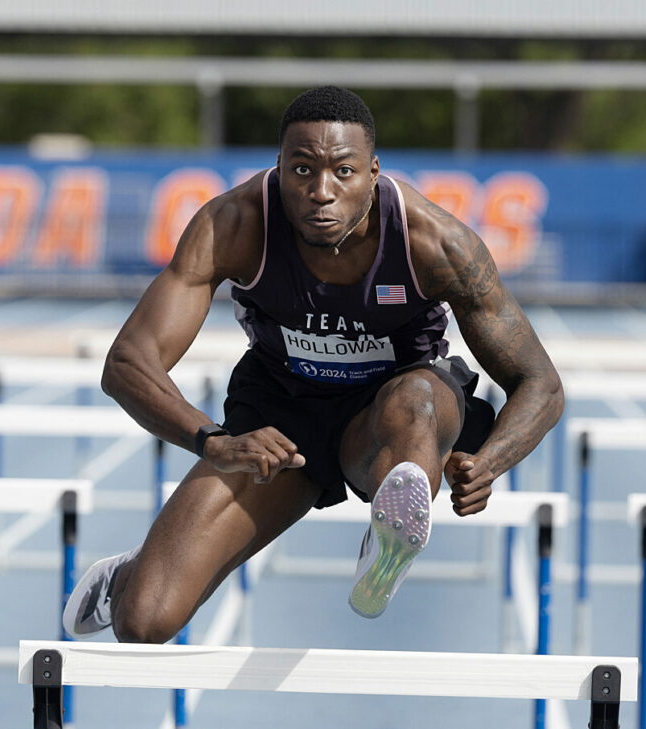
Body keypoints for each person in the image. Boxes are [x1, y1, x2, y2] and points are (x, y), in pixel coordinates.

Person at [63, 86, 563, 642]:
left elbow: (539, 383)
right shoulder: (234, 224)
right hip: (282, 420)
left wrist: (489, 463)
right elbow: (128, 363)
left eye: (343, 172)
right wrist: (212, 442)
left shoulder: (435, 242)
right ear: (278, 169)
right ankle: (129, 576)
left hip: (390, 417)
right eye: (302, 170)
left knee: (418, 402)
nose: (321, 192)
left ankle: (389, 531)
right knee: (145, 622)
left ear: (373, 173)